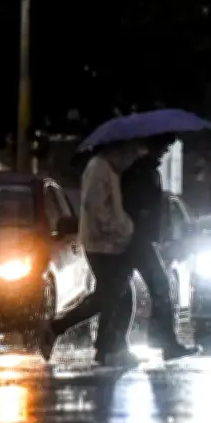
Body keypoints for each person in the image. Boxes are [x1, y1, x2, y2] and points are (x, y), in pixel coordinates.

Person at [121, 134, 194, 360]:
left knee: (119, 292)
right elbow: (135, 204)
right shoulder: (139, 172)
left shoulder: (149, 170)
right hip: (135, 239)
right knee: (159, 287)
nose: (165, 152)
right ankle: (164, 341)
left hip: (141, 238)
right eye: (164, 147)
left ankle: (156, 339)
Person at [79, 142, 146, 366]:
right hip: (101, 243)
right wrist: (120, 228)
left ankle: (108, 347)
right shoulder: (99, 168)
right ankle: (107, 348)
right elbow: (94, 206)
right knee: (114, 295)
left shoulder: (109, 170)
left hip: (109, 243)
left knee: (114, 294)